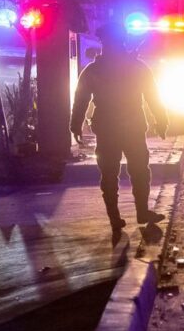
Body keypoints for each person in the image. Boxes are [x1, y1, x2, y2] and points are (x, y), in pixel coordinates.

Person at [71, 22, 169, 239]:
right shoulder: (136, 67)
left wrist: (75, 125)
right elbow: (153, 97)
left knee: (112, 174)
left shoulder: (94, 70)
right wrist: (161, 120)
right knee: (136, 172)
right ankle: (137, 213)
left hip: (109, 128)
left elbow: (81, 100)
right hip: (129, 127)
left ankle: (117, 217)